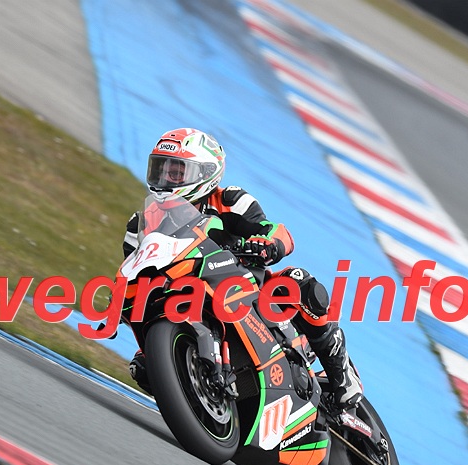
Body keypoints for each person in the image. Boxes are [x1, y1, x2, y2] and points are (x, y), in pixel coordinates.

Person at [123, 127, 364, 409]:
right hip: (182, 293)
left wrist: (268, 244)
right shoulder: (141, 223)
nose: (166, 179)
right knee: (143, 367)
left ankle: (341, 373)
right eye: (161, 170)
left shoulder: (230, 200)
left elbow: (276, 232)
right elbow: (134, 267)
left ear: (205, 174)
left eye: (177, 172)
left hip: (245, 286)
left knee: (299, 283)